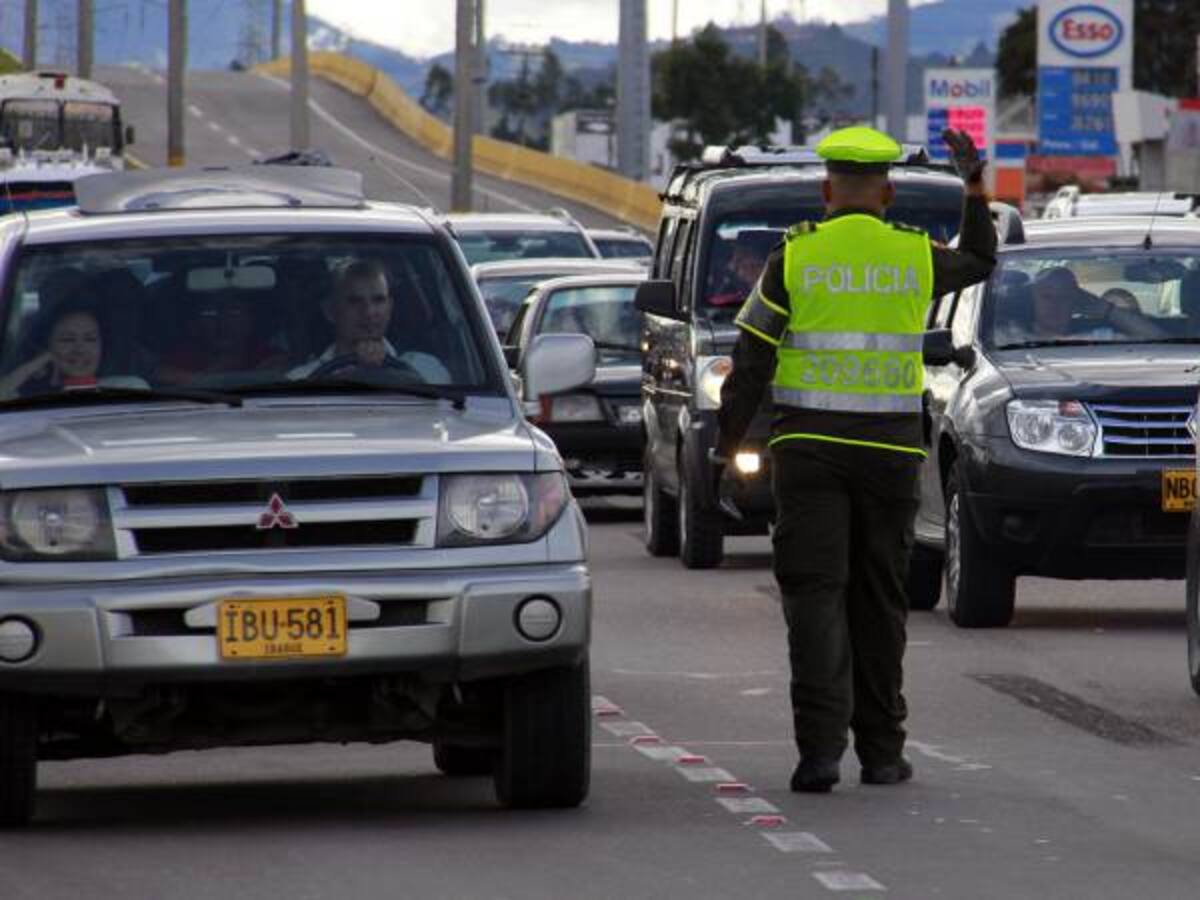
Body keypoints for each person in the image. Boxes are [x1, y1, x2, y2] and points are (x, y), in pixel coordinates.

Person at [715, 126, 997, 793]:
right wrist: (974, 186)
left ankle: (818, 756)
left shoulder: (797, 257)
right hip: (890, 453)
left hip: (808, 451)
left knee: (814, 598)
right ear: (889, 194)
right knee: (880, 599)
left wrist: (731, 447)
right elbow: (982, 258)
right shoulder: (913, 257)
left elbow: (751, 354)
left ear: (826, 189)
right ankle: (881, 753)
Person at [288, 259, 449, 383]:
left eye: (378, 300)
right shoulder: (301, 381)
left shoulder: (428, 370)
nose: (369, 312)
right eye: (354, 301)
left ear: (390, 307)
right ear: (330, 311)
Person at [0, 298, 147, 398]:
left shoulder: (129, 387)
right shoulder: (27, 398)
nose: (80, 349)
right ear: (47, 347)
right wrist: (33, 366)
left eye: (90, 339)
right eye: (67, 340)